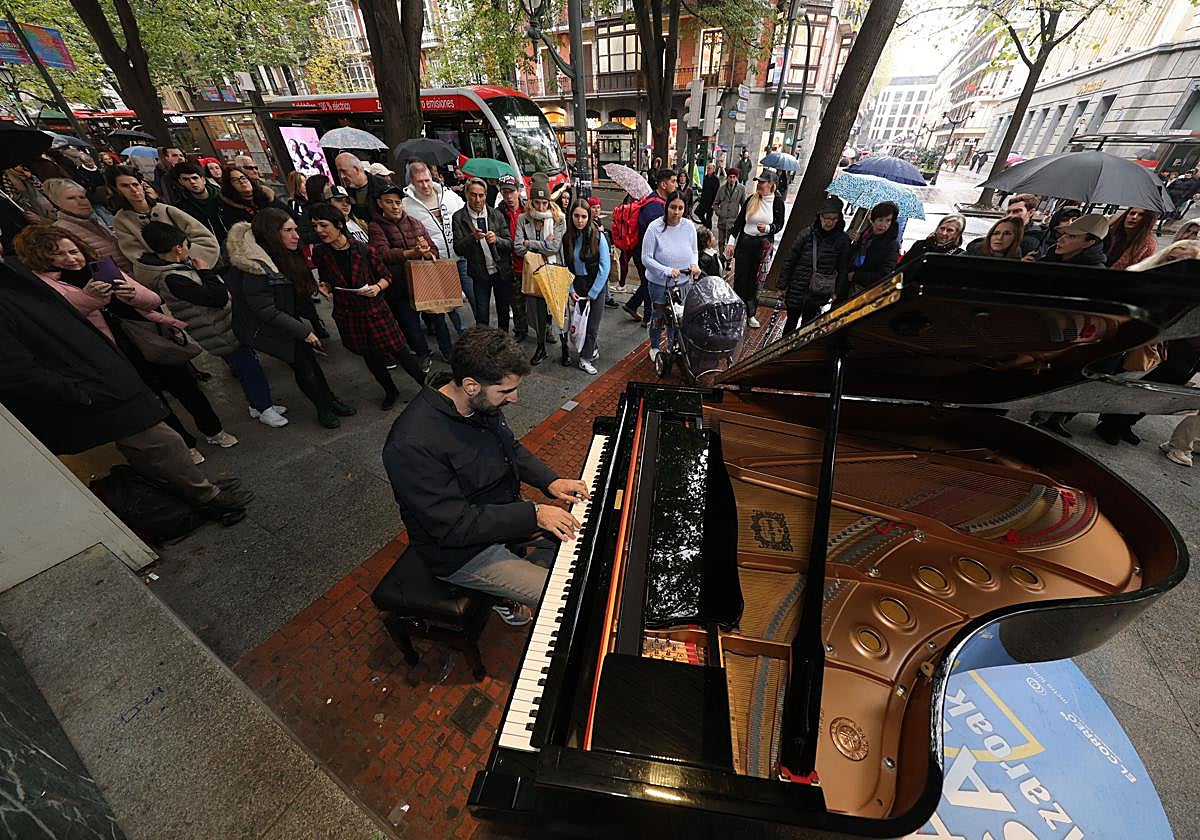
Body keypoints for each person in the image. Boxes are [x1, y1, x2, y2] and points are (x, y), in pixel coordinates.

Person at [0, 258, 251, 514]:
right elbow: (15, 370)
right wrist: (80, 394)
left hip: (103, 376)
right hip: (91, 389)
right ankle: (207, 497)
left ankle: (194, 492)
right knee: (164, 443)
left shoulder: (12, 275)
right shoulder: (13, 285)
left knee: (151, 449)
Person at [382, 326, 589, 624]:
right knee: (566, 596)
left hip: (499, 514)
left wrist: (550, 480)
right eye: (505, 391)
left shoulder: (479, 402)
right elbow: (455, 526)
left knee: (589, 539)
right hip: (460, 552)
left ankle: (509, 581)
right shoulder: (410, 445)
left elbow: (510, 449)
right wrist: (535, 514)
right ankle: (499, 594)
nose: (514, 398)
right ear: (470, 385)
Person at [14, 222, 236, 462]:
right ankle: (185, 445)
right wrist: (89, 299)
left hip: (149, 338)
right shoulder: (47, 287)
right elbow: (61, 322)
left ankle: (214, 430)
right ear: (40, 257)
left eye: (73, 250)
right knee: (153, 400)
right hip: (113, 353)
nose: (70, 258)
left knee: (186, 387)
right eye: (58, 254)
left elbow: (153, 299)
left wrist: (133, 295)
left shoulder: (100, 268)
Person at [137, 221, 285, 428]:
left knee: (245, 368)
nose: (188, 248)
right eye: (186, 244)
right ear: (178, 247)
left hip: (220, 327)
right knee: (250, 369)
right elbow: (216, 298)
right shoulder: (173, 278)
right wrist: (206, 272)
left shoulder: (175, 269)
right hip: (217, 332)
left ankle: (256, 405)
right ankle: (265, 409)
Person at [225, 211, 357, 429]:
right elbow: (266, 310)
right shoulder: (255, 265)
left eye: (295, 229)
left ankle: (331, 400)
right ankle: (323, 408)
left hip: (286, 318)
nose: (296, 236)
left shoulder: (282, 253)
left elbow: (293, 289)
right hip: (269, 326)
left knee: (311, 363)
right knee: (303, 366)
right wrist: (304, 331)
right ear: (271, 234)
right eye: (288, 231)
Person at [309, 202, 425, 410]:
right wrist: (324, 286)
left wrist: (377, 287)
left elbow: (386, 276)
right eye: (315, 226)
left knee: (400, 350)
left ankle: (426, 386)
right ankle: (390, 391)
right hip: (348, 313)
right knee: (370, 357)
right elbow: (326, 279)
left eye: (323, 225)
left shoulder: (364, 250)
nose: (319, 231)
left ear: (338, 225)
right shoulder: (320, 253)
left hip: (375, 310)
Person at [368, 183, 449, 367]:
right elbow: (381, 254)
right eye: (389, 202)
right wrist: (411, 252)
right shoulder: (376, 226)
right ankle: (423, 354)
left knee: (439, 318)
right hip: (399, 286)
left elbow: (432, 249)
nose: (395, 206)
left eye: (398, 202)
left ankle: (447, 351)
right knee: (411, 325)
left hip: (425, 281)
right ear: (380, 203)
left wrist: (428, 252)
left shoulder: (414, 222)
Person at [109, 166, 221, 292]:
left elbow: (204, 238)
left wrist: (189, 259)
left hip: (198, 267)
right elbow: (137, 256)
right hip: (167, 279)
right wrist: (170, 268)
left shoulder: (166, 210)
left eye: (136, 184)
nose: (134, 190)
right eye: (125, 186)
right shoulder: (121, 220)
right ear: (116, 189)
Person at [403, 160, 468, 330]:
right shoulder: (406, 206)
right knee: (445, 302)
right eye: (420, 181)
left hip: (460, 256)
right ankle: (458, 332)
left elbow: (464, 215)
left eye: (427, 180)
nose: (425, 185)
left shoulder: (448, 196)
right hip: (435, 261)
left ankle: (481, 333)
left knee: (473, 296)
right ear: (412, 182)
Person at [513, 176, 566, 366]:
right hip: (533, 272)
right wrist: (542, 244)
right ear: (531, 202)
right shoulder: (523, 219)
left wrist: (531, 244)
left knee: (555, 308)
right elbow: (518, 247)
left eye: (545, 203)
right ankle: (541, 345)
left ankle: (557, 338)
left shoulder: (558, 219)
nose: (542, 207)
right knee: (536, 309)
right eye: (537, 202)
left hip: (553, 269)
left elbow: (554, 248)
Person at [778, 196, 851, 333]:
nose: (829, 222)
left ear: (839, 219)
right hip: (798, 286)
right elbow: (790, 260)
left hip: (819, 290)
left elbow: (843, 268)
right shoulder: (806, 234)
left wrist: (837, 291)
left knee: (809, 325)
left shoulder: (843, 240)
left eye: (834, 219)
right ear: (820, 216)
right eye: (826, 218)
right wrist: (782, 285)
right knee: (791, 321)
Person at [641, 192, 699, 362]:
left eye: (681, 208)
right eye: (673, 207)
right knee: (658, 315)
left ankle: (673, 346)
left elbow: (694, 251)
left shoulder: (689, 227)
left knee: (678, 317)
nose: (677, 212)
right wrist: (666, 270)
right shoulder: (654, 227)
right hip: (660, 282)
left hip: (682, 281)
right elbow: (646, 258)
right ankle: (655, 346)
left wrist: (694, 264)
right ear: (667, 207)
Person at [453, 178, 515, 331]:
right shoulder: (459, 217)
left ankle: (503, 342)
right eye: (473, 195)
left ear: (486, 195)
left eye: (481, 195)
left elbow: (509, 244)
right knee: (482, 314)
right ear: (466, 194)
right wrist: (472, 238)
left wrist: (497, 240)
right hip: (479, 274)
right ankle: (483, 344)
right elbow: (458, 249)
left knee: (503, 311)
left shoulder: (496, 214)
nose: (477, 199)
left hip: (500, 271)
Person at [725, 171, 784, 329]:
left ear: (771, 184)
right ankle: (736, 312)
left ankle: (750, 313)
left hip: (762, 246)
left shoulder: (777, 201)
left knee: (755, 281)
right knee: (740, 279)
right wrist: (731, 242)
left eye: (763, 182)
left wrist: (768, 228)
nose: (759, 184)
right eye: (758, 181)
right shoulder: (752, 199)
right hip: (745, 243)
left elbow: (779, 224)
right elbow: (738, 223)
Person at [41, 178, 133, 273]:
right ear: (56, 202)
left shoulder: (93, 221)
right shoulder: (61, 231)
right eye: (71, 198)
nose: (81, 202)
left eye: (82, 197)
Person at [563, 198, 610, 374]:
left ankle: (585, 357)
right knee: (581, 322)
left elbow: (605, 267)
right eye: (576, 216)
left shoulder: (598, 237)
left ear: (589, 217)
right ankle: (590, 349)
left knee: (592, 325)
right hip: (578, 284)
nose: (580, 220)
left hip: (594, 284)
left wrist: (594, 291)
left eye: (583, 216)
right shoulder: (568, 237)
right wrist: (571, 289)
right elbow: (566, 266)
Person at [622, 168, 675, 323]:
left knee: (647, 282)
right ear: (663, 185)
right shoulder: (655, 206)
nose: (676, 185)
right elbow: (653, 234)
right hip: (644, 252)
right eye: (673, 181)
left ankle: (632, 306)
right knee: (648, 282)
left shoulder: (658, 201)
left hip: (644, 251)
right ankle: (647, 318)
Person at [497, 174, 529, 341]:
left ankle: (545, 331)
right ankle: (520, 331)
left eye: (511, 191)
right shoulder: (498, 214)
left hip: (530, 264)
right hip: (511, 266)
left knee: (538, 301)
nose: (509, 196)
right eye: (505, 192)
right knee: (517, 304)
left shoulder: (528, 209)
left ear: (518, 191)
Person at [848, 201, 902, 292]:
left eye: (888, 220)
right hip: (849, 284)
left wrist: (856, 276)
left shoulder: (891, 245)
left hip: (867, 290)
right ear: (872, 219)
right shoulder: (865, 236)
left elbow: (884, 274)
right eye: (880, 219)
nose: (883, 225)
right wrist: (855, 242)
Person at [170, 162, 228, 243]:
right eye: (186, 179)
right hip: (207, 246)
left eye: (195, 178)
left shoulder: (223, 197)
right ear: (181, 182)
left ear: (203, 179)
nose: (192, 182)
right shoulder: (182, 207)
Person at [218, 165, 285, 229]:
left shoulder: (266, 196)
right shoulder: (231, 210)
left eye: (243, 178)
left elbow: (289, 215)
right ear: (229, 186)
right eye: (235, 180)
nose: (242, 181)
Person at [334, 152, 391, 223]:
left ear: (356, 169)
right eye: (339, 172)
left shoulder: (384, 186)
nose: (342, 176)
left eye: (344, 171)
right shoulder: (343, 192)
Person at [898, 213, 966, 267]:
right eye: (942, 228)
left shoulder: (959, 255)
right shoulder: (919, 245)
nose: (943, 233)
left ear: (958, 234)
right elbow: (901, 268)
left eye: (950, 230)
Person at [713, 168, 745, 257]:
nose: (732, 179)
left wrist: (740, 219)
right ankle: (721, 257)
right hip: (722, 220)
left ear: (737, 178)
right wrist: (719, 212)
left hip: (733, 221)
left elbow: (743, 205)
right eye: (730, 177)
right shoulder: (722, 188)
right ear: (727, 177)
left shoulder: (741, 189)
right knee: (721, 241)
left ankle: (728, 260)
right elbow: (715, 203)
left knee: (730, 242)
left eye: (734, 177)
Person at [695, 163, 719, 229]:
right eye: (707, 168)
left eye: (709, 168)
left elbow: (717, 192)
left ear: (713, 169)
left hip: (711, 202)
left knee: (709, 218)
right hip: (704, 200)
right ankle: (706, 225)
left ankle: (708, 229)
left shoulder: (716, 179)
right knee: (698, 212)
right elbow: (704, 189)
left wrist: (714, 203)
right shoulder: (706, 177)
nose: (708, 169)